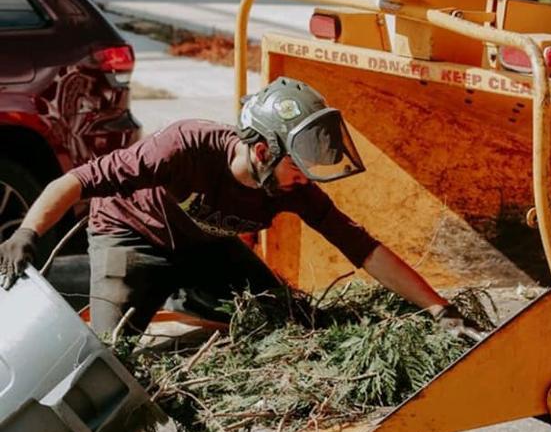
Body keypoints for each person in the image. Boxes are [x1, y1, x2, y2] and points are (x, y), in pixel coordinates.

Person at [0, 77, 482, 341]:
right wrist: (28, 233)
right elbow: (76, 180)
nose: (306, 175)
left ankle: (184, 296)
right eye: (298, 162)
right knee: (109, 356)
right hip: (132, 236)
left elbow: (363, 247)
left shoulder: (291, 189)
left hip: (205, 245)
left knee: (295, 321)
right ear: (260, 151)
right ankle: (140, 290)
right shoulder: (183, 148)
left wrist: (441, 310)